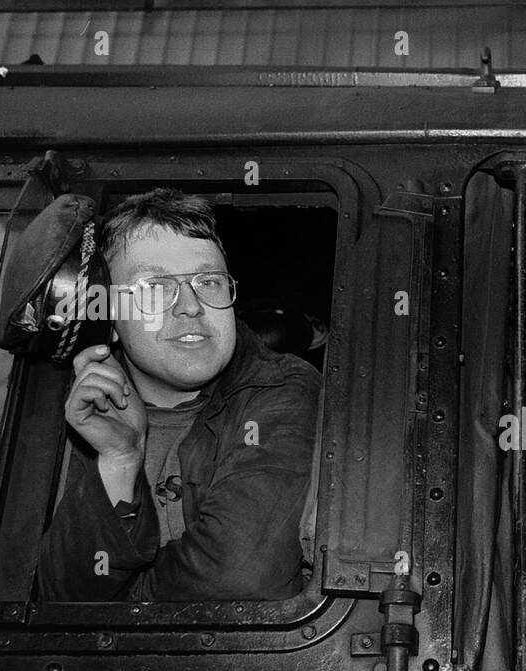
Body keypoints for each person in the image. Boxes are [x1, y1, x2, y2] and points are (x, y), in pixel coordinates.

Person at [38, 188, 321, 601]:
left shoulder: (280, 391)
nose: (190, 305)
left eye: (209, 281)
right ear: (110, 320)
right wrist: (120, 459)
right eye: (154, 287)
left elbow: (238, 578)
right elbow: (59, 599)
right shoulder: (74, 409)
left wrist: (122, 601)